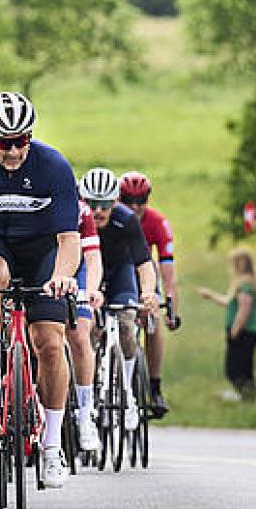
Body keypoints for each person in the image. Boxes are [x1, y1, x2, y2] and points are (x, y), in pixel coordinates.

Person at [0, 91, 80, 489]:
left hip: (41, 250)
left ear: (30, 136)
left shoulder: (53, 165)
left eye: (20, 140)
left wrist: (62, 275)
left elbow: (69, 239)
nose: (12, 151)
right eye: (3, 142)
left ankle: (53, 447)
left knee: (50, 345)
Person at [81, 168, 160, 432]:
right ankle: (87, 389)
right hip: (87, 273)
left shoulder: (126, 220)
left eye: (105, 205)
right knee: (87, 328)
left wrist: (148, 292)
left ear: (116, 202)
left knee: (127, 323)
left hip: (119, 273)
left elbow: (144, 263)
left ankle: (128, 394)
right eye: (92, 204)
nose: (98, 211)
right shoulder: (76, 218)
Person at [119, 171, 180, 417]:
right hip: (114, 272)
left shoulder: (157, 222)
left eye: (141, 200)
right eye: (128, 201)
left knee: (152, 322)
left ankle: (154, 387)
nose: (135, 207)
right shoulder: (111, 216)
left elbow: (168, 272)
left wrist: (171, 307)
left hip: (144, 275)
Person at [198, 248, 256, 402]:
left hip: (243, 332)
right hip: (249, 332)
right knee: (246, 368)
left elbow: (244, 308)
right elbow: (229, 302)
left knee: (234, 369)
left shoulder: (245, 284)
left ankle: (247, 396)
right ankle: (248, 398)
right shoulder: (248, 282)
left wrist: (235, 328)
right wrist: (211, 296)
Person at [69, 191, 105, 452]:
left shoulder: (81, 211)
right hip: (41, 265)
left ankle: (85, 413)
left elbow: (92, 259)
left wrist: (91, 290)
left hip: (76, 269)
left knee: (81, 338)